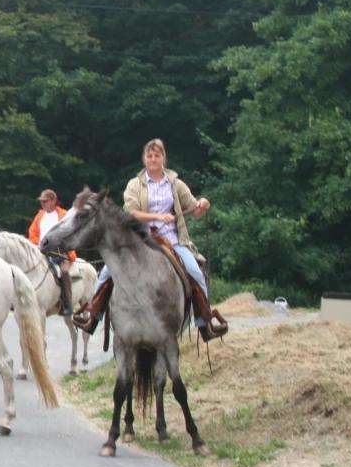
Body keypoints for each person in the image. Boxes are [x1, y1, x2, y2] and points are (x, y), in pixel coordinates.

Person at [73, 138, 228, 342]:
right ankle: (93, 316)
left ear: (163, 158)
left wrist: (202, 204)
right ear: (144, 159)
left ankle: (204, 323)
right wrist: (158, 217)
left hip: (172, 240)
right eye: (150, 155)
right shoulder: (134, 185)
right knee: (107, 273)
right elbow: (131, 212)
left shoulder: (176, 184)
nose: (153, 159)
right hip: (139, 240)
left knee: (195, 273)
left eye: (157, 155)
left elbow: (194, 209)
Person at [28, 189, 76, 316]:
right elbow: (33, 233)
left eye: (45, 201)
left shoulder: (64, 215)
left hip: (60, 252)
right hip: (40, 252)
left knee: (64, 272)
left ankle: (67, 303)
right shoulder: (39, 216)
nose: (42, 204)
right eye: (41, 202)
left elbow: (69, 233)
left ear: (53, 201)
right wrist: (35, 245)